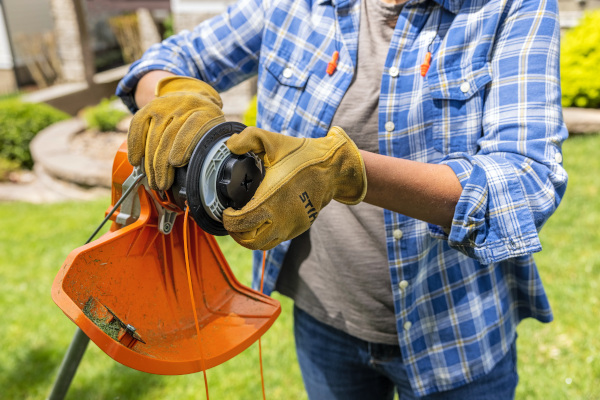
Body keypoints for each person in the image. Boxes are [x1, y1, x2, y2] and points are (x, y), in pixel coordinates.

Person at [116, 0, 568, 397]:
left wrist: (345, 170)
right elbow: (172, 59)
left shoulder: (510, 6)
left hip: (455, 330)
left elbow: (526, 180)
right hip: (325, 318)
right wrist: (177, 94)